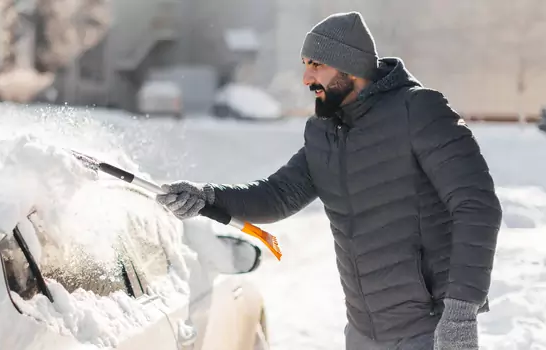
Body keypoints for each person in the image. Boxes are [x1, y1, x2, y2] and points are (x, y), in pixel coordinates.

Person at [155, 11, 502, 350]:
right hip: (363, 332)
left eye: (316, 65)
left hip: (430, 329)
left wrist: (461, 310)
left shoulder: (419, 110)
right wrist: (207, 198)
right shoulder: (325, 133)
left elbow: (477, 206)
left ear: (350, 67)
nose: (306, 78)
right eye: (305, 64)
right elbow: (278, 195)